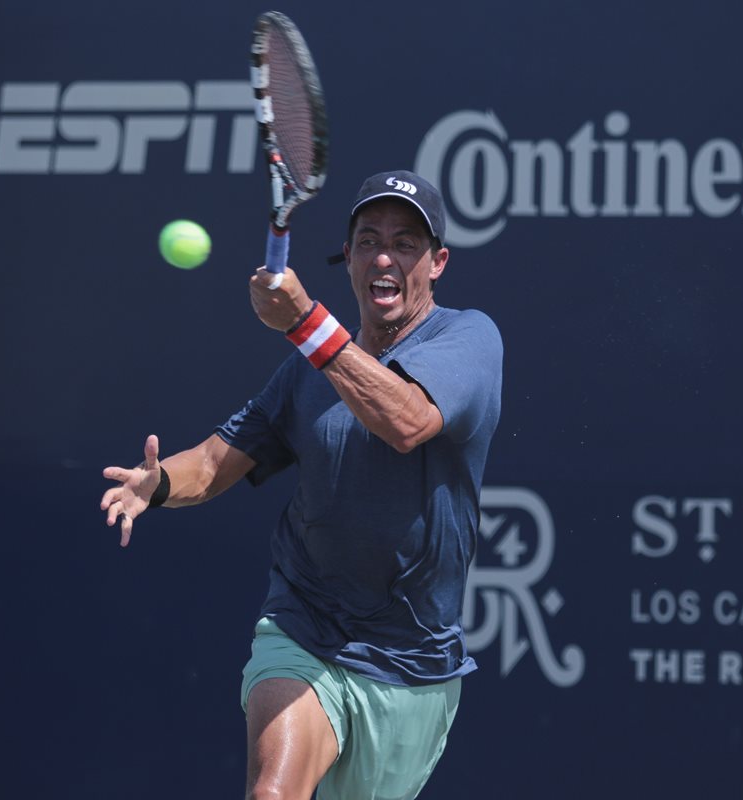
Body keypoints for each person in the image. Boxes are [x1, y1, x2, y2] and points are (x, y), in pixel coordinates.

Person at [99, 170, 503, 800]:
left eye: (405, 243)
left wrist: (307, 324)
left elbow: (407, 421)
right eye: (368, 241)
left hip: (415, 664)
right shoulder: (304, 373)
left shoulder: (469, 337)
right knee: (273, 793)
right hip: (306, 628)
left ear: (438, 263)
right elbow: (213, 461)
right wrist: (158, 483)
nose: (385, 257)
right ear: (349, 258)